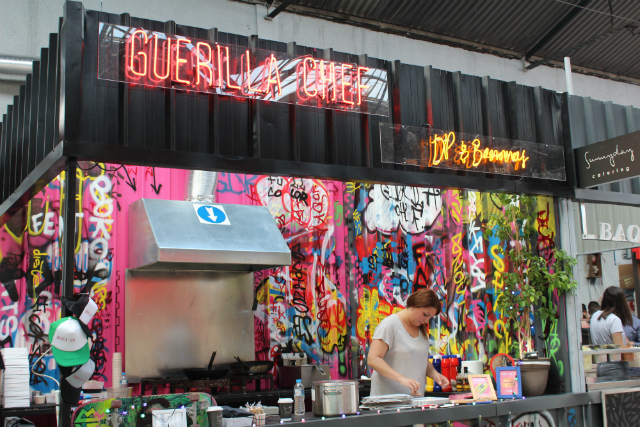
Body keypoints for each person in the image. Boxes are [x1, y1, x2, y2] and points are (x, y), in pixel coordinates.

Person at [368, 288, 449, 396]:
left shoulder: (421, 330)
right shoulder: (389, 325)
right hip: (388, 401)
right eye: (425, 314)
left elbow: (420, 359)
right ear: (413, 305)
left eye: (430, 317)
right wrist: (401, 378)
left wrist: (435, 374)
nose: (426, 320)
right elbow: (373, 359)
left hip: (414, 400)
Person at [590, 287, 634, 378]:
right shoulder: (614, 320)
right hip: (616, 368)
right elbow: (619, 349)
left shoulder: (595, 316)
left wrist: (628, 342)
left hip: (601, 366)